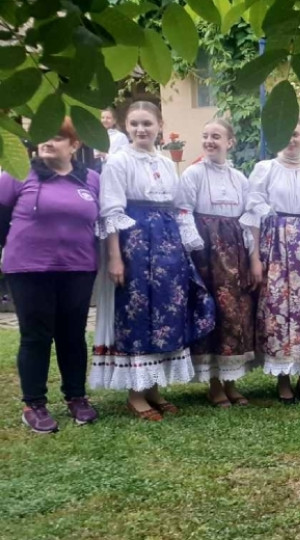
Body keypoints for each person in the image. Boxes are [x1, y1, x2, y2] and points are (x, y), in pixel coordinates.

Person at [89, 101, 216, 420]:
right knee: (137, 313)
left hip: (167, 246)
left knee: (165, 314)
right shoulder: (118, 162)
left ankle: (154, 387)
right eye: (134, 124)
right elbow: (112, 212)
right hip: (134, 245)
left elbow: (177, 207)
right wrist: (115, 258)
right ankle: (136, 394)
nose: (141, 129)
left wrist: (183, 249)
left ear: (160, 125)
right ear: (126, 127)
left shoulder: (164, 161)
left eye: (147, 123)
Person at [0, 119, 100, 433]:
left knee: (73, 335)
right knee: (35, 336)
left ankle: (76, 397)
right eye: (42, 136)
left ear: (74, 145)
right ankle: (34, 404)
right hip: (29, 269)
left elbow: (102, 224)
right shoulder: (17, 175)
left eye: (56, 138)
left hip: (79, 268)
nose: (46, 142)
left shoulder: (92, 180)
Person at [242, 118, 300, 404]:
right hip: (276, 249)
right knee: (277, 310)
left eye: (295, 134)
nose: (291, 140)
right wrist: (255, 258)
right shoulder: (265, 170)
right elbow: (253, 215)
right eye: (285, 134)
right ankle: (283, 379)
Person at [178, 118, 256, 407]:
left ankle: (231, 381)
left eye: (216, 136)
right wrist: (195, 246)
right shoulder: (193, 174)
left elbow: (248, 219)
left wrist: (250, 255)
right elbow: (184, 211)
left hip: (233, 252)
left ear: (230, 142)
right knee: (210, 312)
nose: (210, 141)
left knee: (233, 314)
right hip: (206, 252)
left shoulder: (239, 178)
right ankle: (213, 384)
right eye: (206, 136)